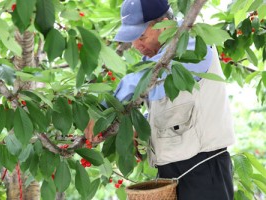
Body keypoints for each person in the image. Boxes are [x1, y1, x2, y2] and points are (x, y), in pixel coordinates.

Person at [86, 0, 235, 199]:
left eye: (141, 36)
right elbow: (173, 105)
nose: (136, 46)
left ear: (164, 25)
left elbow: (151, 81)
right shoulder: (158, 57)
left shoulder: (191, 42)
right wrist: (140, 127)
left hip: (203, 169)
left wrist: (101, 111)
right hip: (171, 172)